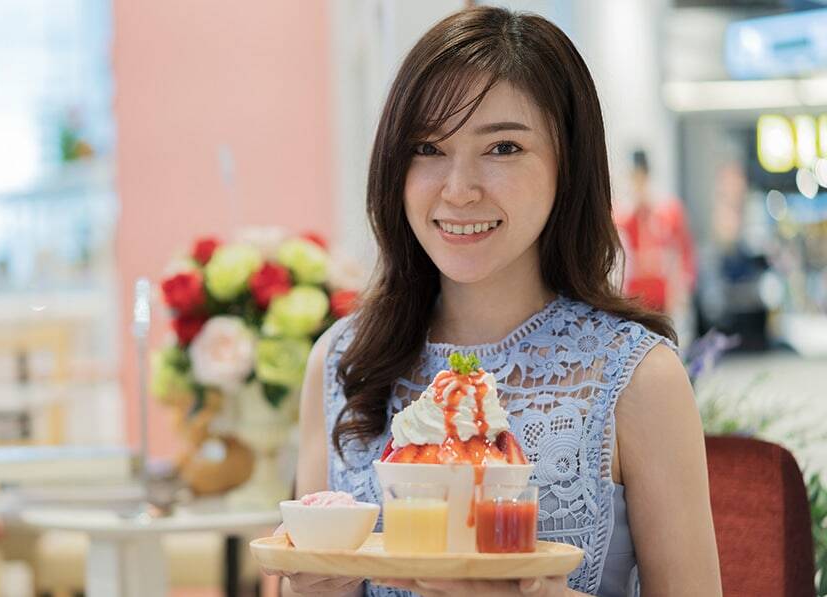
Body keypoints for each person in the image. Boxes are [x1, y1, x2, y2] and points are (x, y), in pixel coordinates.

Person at [269, 7, 720, 597]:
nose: (458, 189)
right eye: (428, 147)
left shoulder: (637, 378)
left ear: (569, 165)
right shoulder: (341, 362)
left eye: (503, 147)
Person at [616, 149, 696, 317]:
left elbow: (685, 253)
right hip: (632, 298)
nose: (637, 183)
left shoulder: (668, 212)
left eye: (640, 176)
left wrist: (682, 289)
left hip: (662, 298)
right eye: (633, 177)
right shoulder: (622, 216)